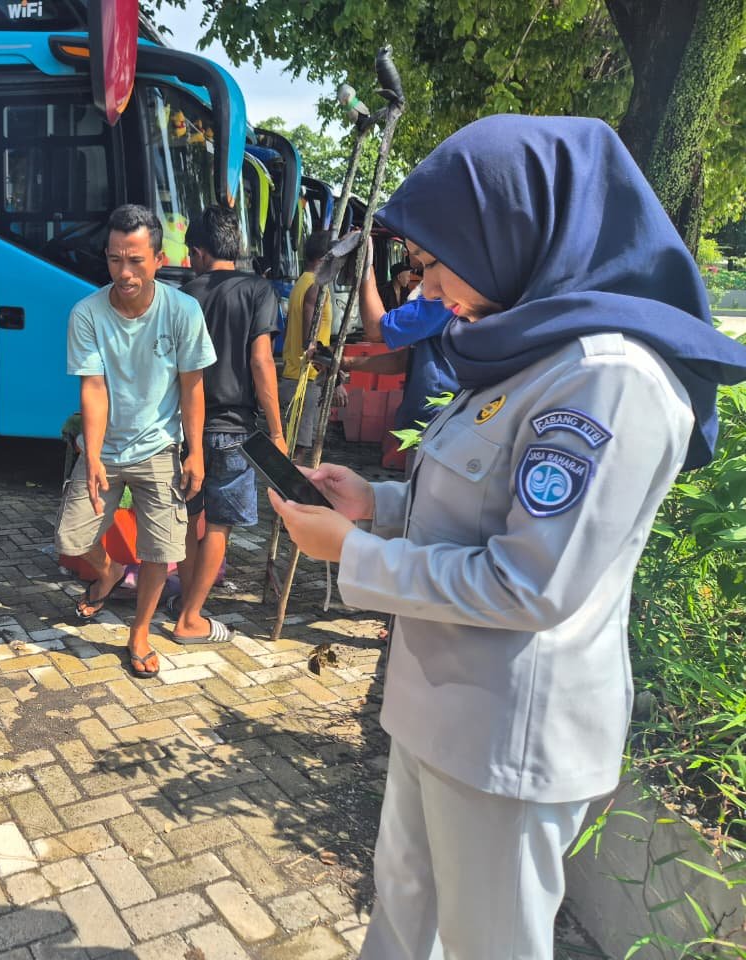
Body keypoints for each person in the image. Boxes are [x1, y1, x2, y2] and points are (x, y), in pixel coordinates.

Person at [267, 115, 746, 959]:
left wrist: (350, 554)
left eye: (434, 258)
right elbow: (478, 502)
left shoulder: (607, 377)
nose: (424, 285)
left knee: (489, 943)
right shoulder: (528, 346)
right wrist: (374, 504)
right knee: (403, 904)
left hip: (508, 734)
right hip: (442, 708)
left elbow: (530, 583)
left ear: (510, 231)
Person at [55, 203, 216, 679]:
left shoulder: (182, 310)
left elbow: (192, 386)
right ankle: (106, 573)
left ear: (159, 259)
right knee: (72, 534)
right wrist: (93, 451)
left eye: (135, 260)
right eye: (114, 259)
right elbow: (94, 386)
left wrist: (197, 452)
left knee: (159, 550)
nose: (123, 272)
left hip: (161, 447)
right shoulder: (87, 313)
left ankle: (139, 632)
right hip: (105, 447)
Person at [167, 205, 284, 644]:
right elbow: (260, 362)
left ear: (198, 251)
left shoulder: (182, 295)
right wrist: (276, 431)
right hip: (235, 428)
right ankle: (191, 618)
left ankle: (184, 603)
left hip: (185, 427)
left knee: (188, 518)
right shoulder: (258, 290)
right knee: (219, 525)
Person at [345, 246, 459, 464]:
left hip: (435, 423)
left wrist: (366, 267)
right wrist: (345, 362)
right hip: (430, 423)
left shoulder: (445, 299)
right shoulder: (444, 298)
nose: (411, 261)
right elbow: (405, 359)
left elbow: (377, 330)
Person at [279, 232, 348, 462]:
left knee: (295, 450)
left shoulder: (302, 282)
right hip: (304, 380)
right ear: (326, 257)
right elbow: (310, 343)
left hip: (299, 377)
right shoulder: (315, 288)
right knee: (296, 454)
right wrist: (334, 379)